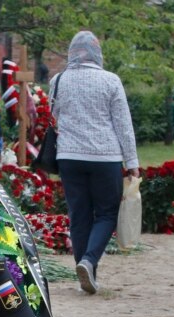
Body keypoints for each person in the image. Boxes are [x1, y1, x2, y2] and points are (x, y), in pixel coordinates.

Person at [51, 30, 140, 294]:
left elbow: (53, 115)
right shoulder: (111, 80)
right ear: (97, 53)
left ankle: (85, 270)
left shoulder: (59, 80)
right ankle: (89, 262)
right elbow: (123, 124)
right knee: (106, 214)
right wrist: (132, 161)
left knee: (79, 216)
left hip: (68, 157)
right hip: (105, 157)